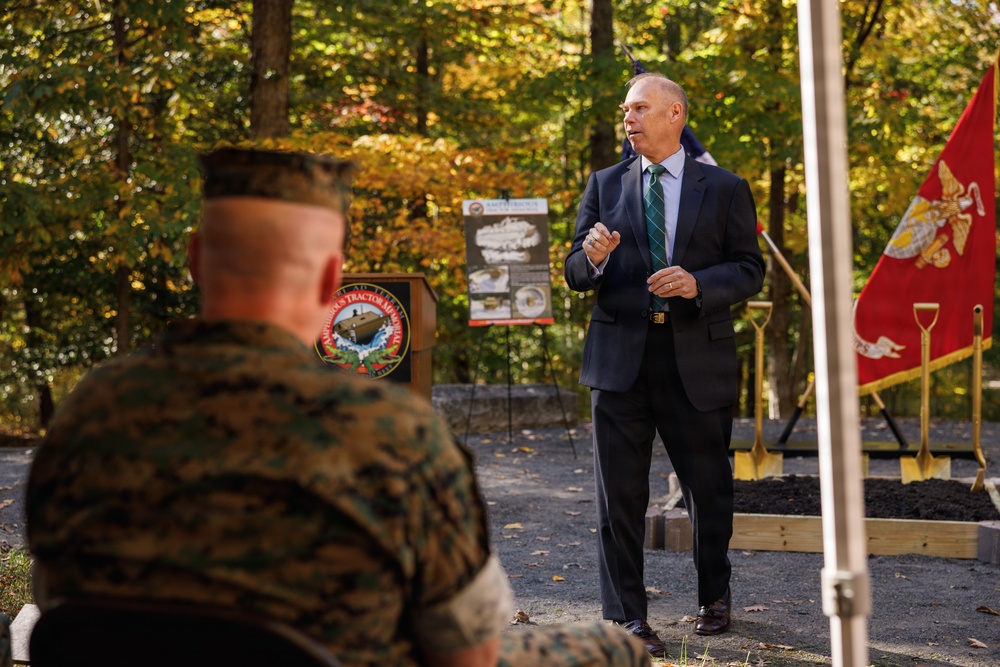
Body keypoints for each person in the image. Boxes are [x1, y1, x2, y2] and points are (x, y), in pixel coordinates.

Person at [27, 147, 649, 667]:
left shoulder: (90, 411)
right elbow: (470, 655)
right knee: (615, 648)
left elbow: (58, 608)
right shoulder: (394, 435)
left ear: (195, 259)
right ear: (332, 284)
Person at [564, 73, 765, 657]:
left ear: (675, 113)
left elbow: (749, 269)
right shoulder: (604, 184)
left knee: (709, 489)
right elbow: (575, 271)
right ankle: (627, 617)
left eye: (640, 108)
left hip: (694, 361)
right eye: (625, 109)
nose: (628, 118)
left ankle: (713, 597)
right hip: (619, 362)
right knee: (617, 497)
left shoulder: (725, 187)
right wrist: (592, 257)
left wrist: (698, 282)